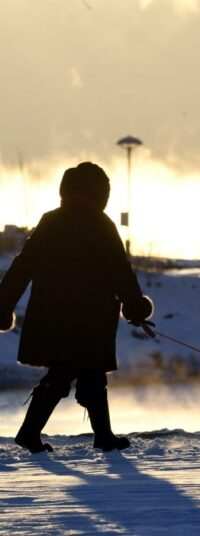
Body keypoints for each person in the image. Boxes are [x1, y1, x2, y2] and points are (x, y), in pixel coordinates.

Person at [0, 162, 153, 453]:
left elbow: (22, 266)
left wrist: (3, 304)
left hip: (51, 315)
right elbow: (120, 271)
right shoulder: (101, 224)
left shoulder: (50, 221)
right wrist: (134, 306)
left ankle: (102, 436)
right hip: (89, 317)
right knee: (69, 371)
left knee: (88, 373)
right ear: (100, 194)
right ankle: (31, 433)